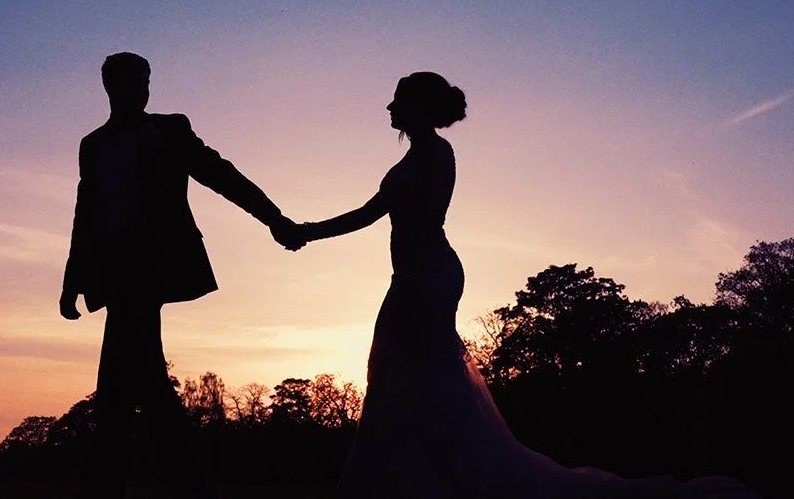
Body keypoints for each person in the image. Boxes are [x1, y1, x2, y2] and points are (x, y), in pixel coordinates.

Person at [289, 72, 756, 498]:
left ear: (421, 108)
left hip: (427, 277)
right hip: (415, 276)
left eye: (398, 101)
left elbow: (391, 214)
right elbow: (374, 213)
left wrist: (308, 232)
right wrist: (306, 231)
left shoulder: (436, 153)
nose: (389, 108)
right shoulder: (416, 156)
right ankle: (417, 478)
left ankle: (436, 479)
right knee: (401, 377)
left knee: (417, 374)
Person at [60, 51, 303, 499]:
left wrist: (273, 217)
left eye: (146, 81)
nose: (142, 90)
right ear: (110, 86)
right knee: (140, 383)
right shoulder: (91, 144)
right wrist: (71, 280)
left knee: (119, 385)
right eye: (133, 82)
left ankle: (122, 485)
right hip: (114, 269)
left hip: (147, 265)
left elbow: (220, 174)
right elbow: (85, 213)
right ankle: (185, 484)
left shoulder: (170, 129)